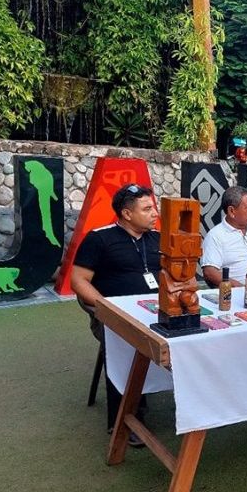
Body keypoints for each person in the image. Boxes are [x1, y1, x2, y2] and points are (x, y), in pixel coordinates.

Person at [71, 184, 161, 444]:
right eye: (146, 209)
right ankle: (125, 419)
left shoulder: (157, 239)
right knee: (127, 341)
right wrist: (107, 310)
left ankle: (195, 403)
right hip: (115, 318)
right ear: (126, 214)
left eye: (153, 207)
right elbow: (79, 281)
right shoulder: (99, 239)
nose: (154, 213)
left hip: (158, 312)